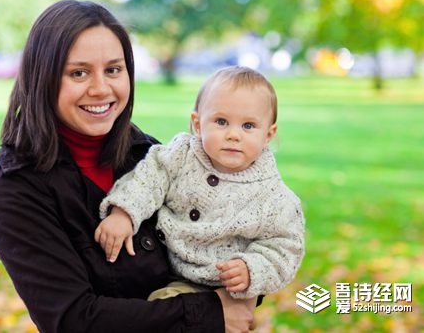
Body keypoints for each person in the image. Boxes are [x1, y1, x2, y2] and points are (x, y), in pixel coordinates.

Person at [0, 0, 256, 333]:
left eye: (113, 70)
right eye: (78, 73)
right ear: (44, 78)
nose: (101, 89)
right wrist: (212, 313)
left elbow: (229, 245)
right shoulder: (15, 189)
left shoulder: (151, 156)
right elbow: (73, 320)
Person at [96, 66, 305, 302]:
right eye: (221, 121)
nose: (233, 135)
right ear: (197, 123)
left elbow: (284, 246)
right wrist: (124, 212)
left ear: (268, 134)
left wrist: (252, 268)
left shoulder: (274, 198)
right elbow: (149, 178)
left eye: (248, 126)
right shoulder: (181, 156)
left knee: (165, 307)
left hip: (221, 286)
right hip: (165, 263)